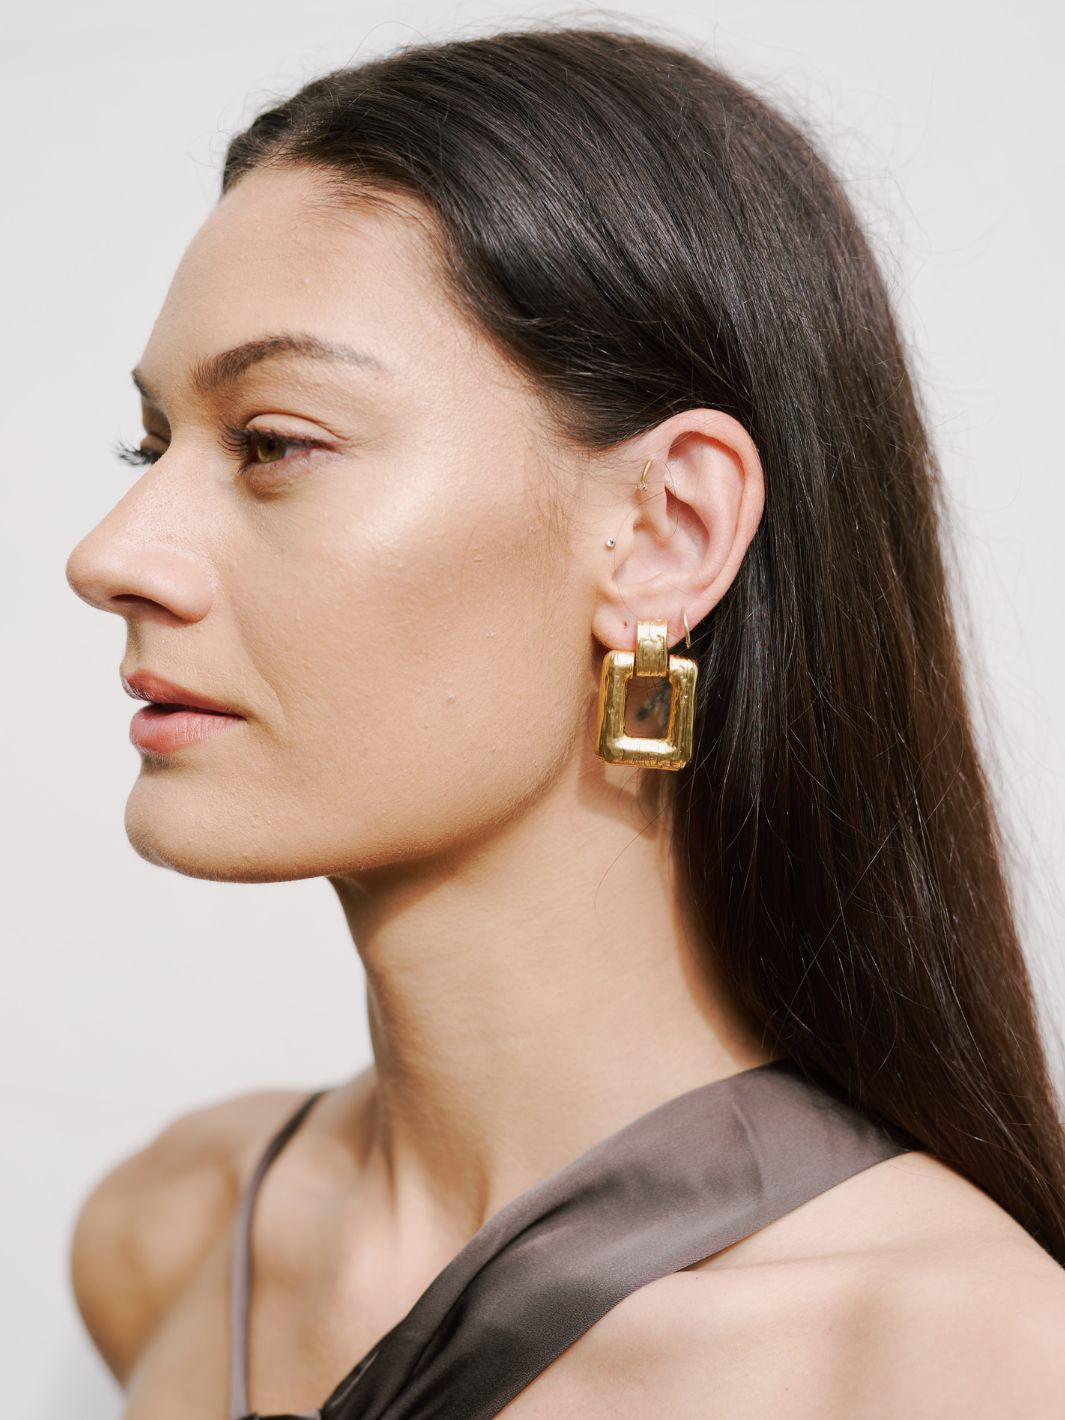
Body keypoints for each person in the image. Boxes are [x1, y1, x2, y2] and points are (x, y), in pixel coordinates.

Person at [63, 22, 1065, 1419]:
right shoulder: (169, 1234)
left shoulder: (957, 1365)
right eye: (151, 443)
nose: (110, 554)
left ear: (664, 533)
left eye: (274, 443)